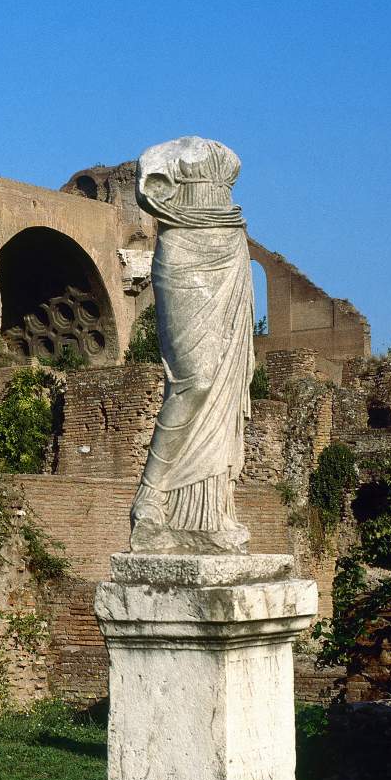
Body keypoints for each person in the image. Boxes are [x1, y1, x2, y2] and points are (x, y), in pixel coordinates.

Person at [129, 136, 255, 554]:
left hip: (229, 241)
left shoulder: (223, 157)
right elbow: (147, 180)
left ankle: (207, 516)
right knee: (197, 379)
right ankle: (150, 495)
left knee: (227, 379)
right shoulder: (169, 152)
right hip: (183, 242)